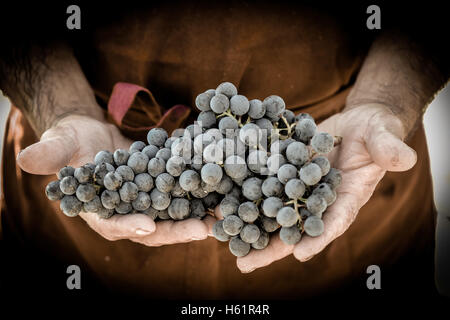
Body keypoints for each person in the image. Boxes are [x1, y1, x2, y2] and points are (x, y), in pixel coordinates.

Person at [0, 2, 448, 299]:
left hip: (335, 148)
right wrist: (63, 108)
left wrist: (384, 101)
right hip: (89, 140)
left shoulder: (306, 162)